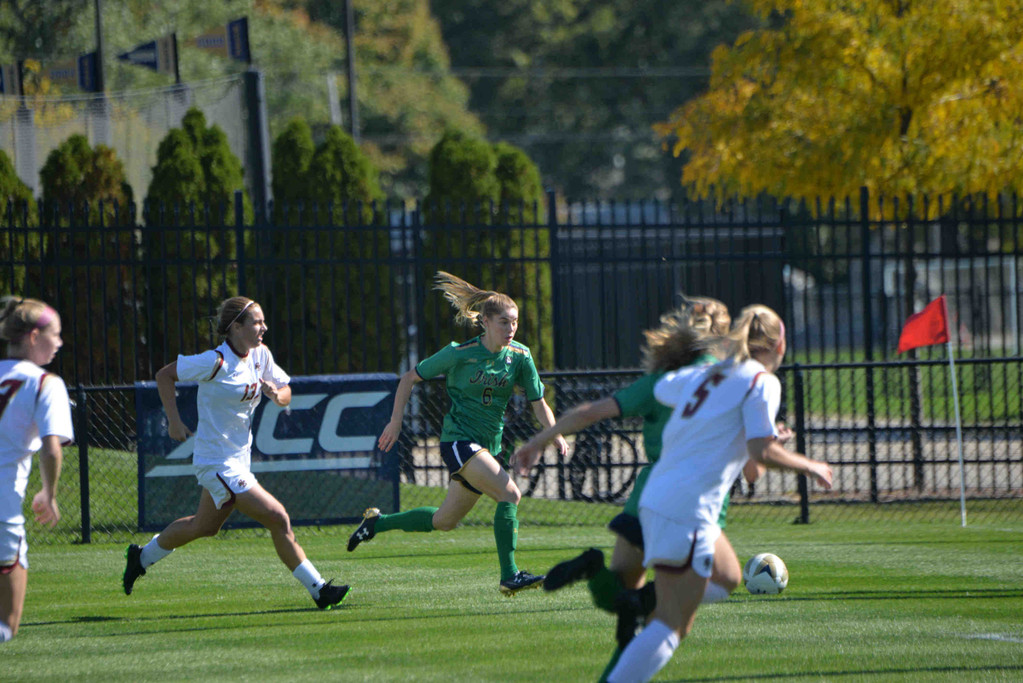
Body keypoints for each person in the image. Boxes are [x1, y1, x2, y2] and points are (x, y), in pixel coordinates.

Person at [513, 297, 762, 679]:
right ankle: (643, 597)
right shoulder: (731, 383)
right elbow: (752, 472)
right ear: (723, 336)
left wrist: (537, 441)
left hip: (645, 501)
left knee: (620, 602)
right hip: (690, 509)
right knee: (701, 596)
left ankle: (596, 570)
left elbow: (588, 412)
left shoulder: (663, 382)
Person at [606, 304, 833, 683]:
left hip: (659, 497)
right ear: (779, 345)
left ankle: (648, 601)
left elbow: (663, 388)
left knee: (727, 577)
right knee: (672, 625)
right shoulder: (762, 381)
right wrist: (809, 465)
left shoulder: (710, 373)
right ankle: (643, 618)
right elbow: (761, 454)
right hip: (688, 505)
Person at [122, 296, 349, 610]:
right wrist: (174, 420)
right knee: (278, 517)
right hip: (216, 462)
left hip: (238, 461)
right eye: (256, 322)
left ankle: (141, 557)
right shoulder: (215, 361)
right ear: (235, 327)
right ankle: (319, 589)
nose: (263, 327)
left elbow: (286, 392)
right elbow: (164, 375)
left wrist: (275, 394)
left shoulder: (260, 355)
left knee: (204, 527)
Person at [349, 271, 568, 596]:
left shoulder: (520, 356)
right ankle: (510, 576)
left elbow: (539, 403)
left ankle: (376, 522)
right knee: (510, 494)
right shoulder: (460, 352)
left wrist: (557, 434)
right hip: (459, 441)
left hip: (489, 446)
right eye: (504, 323)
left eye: (515, 322)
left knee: (443, 521)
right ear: (485, 322)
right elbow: (408, 378)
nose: (511, 329)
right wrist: (395, 422)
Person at [0, 297, 73, 642]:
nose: (59, 342)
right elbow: (51, 447)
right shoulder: (46, 383)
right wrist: (50, 493)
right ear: (33, 337)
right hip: (3, 506)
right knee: (6, 627)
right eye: (54, 334)